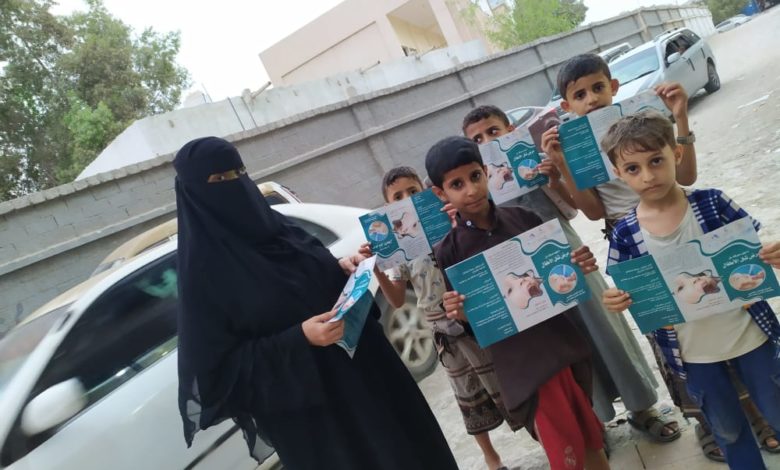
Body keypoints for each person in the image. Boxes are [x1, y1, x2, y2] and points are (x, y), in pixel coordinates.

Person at [541, 52, 778, 458]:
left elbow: (688, 178)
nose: (592, 98)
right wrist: (562, 166)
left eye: (598, 87)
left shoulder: (652, 128)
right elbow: (594, 211)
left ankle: (757, 415)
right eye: (580, 94)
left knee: (737, 337)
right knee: (685, 349)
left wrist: (680, 117)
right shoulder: (578, 149)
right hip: (637, 242)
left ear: (613, 87)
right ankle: (712, 423)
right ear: (567, 105)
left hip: (686, 222)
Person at [173, 137, 458, 470]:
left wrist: (340, 269)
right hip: (321, 423)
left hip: (372, 377)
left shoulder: (281, 229)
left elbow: (306, 278)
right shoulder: (205, 273)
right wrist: (300, 338)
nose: (235, 184)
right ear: (194, 193)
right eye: (220, 179)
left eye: (239, 172)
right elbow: (216, 377)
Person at [462, 105, 663, 439]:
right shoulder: (479, 188)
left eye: (493, 131)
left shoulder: (535, 162)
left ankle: (642, 407)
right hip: (527, 275)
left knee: (604, 328)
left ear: (510, 130)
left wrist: (553, 176)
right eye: (477, 139)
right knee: (566, 343)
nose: (487, 141)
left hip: (568, 254)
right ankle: (594, 423)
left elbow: (572, 210)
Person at [600, 111, 780, 469]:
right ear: (618, 173)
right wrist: (616, 299)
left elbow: (751, 254)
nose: (648, 176)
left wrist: (770, 256)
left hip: (750, 335)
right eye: (633, 168)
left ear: (676, 154)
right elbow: (628, 289)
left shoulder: (713, 202)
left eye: (656, 161)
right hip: (692, 353)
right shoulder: (624, 234)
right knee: (728, 431)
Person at [428, 136, 610, 470]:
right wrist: (458, 311)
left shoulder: (524, 219)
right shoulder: (448, 251)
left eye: (475, 176)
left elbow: (559, 281)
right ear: (441, 193)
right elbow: (474, 321)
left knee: (592, 440)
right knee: (565, 456)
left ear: (486, 172)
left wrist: (576, 267)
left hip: (563, 348)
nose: (471, 190)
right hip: (524, 368)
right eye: (457, 184)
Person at [359, 166, 516, 470]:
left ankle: (537, 431)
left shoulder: (450, 224)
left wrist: (456, 223)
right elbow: (396, 299)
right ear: (389, 207)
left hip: (473, 315)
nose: (407, 199)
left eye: (412, 191)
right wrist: (375, 267)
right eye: (397, 197)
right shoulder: (399, 252)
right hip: (442, 330)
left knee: (503, 378)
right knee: (466, 392)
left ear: (426, 193)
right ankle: (492, 458)